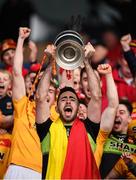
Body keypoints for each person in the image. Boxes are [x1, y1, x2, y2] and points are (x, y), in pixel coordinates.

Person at [36, 42, 101, 179]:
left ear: (78, 109)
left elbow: (96, 97)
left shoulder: (89, 128)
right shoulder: (47, 128)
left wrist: (87, 63)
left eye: (72, 99)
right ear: (57, 108)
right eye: (63, 99)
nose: (68, 101)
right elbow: (41, 97)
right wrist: (51, 62)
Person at [4, 27, 42, 179]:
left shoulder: (53, 110)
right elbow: (17, 72)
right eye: (30, 80)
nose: (33, 82)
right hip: (17, 167)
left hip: (40, 171)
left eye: (36, 80)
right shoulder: (22, 104)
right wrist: (20, 39)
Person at [94, 63, 119, 168]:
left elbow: (113, 105)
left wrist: (108, 74)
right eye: (86, 80)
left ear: (100, 83)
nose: (91, 84)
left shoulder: (99, 131)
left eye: (94, 81)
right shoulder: (69, 122)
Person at [0, 70, 13, 178]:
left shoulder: (10, 100)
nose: (1, 81)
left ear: (10, 85)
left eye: (5, 79)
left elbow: (10, 120)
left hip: (5, 144)